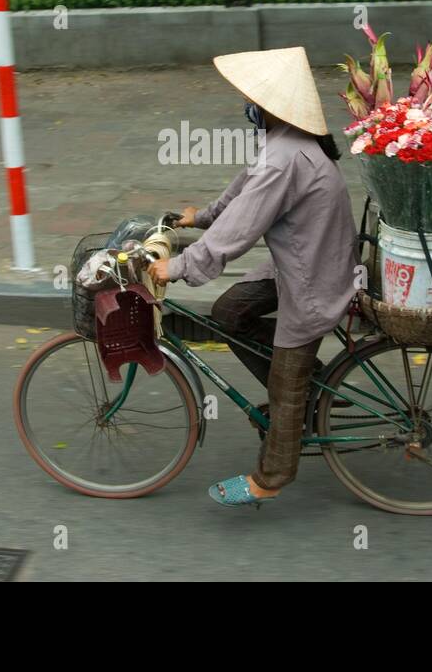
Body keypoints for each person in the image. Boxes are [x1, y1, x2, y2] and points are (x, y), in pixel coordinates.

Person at [148, 47, 357, 507]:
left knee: (285, 383)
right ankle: (318, 389)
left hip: (314, 278)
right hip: (307, 262)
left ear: (271, 105)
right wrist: (197, 218)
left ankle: (273, 474)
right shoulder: (286, 143)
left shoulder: (285, 158)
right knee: (230, 311)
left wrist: (180, 266)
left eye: (252, 99)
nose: (247, 105)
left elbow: (242, 228)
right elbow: (240, 195)